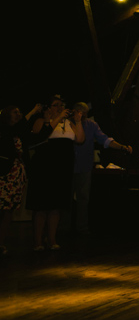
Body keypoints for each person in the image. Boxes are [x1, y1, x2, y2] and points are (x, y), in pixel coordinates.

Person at [28, 95, 86, 251]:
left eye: (61, 105)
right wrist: (57, 117)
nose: (60, 107)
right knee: (41, 206)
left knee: (56, 206)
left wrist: (78, 120)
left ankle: (52, 238)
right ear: (49, 108)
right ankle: (37, 240)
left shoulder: (69, 123)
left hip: (62, 167)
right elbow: (40, 135)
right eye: (56, 105)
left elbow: (80, 139)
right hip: (44, 167)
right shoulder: (42, 122)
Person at [71, 102, 133, 234]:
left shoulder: (91, 125)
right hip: (68, 165)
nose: (81, 115)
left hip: (84, 165)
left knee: (83, 197)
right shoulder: (65, 123)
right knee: (65, 197)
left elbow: (105, 140)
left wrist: (122, 147)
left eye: (84, 112)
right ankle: (63, 227)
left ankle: (81, 227)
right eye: (79, 112)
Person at [0, 104, 40, 255]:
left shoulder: (20, 131)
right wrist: (33, 111)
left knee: (8, 210)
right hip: (3, 173)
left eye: (19, 112)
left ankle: (1, 242)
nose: (18, 114)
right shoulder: (4, 130)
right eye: (14, 112)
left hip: (15, 175)